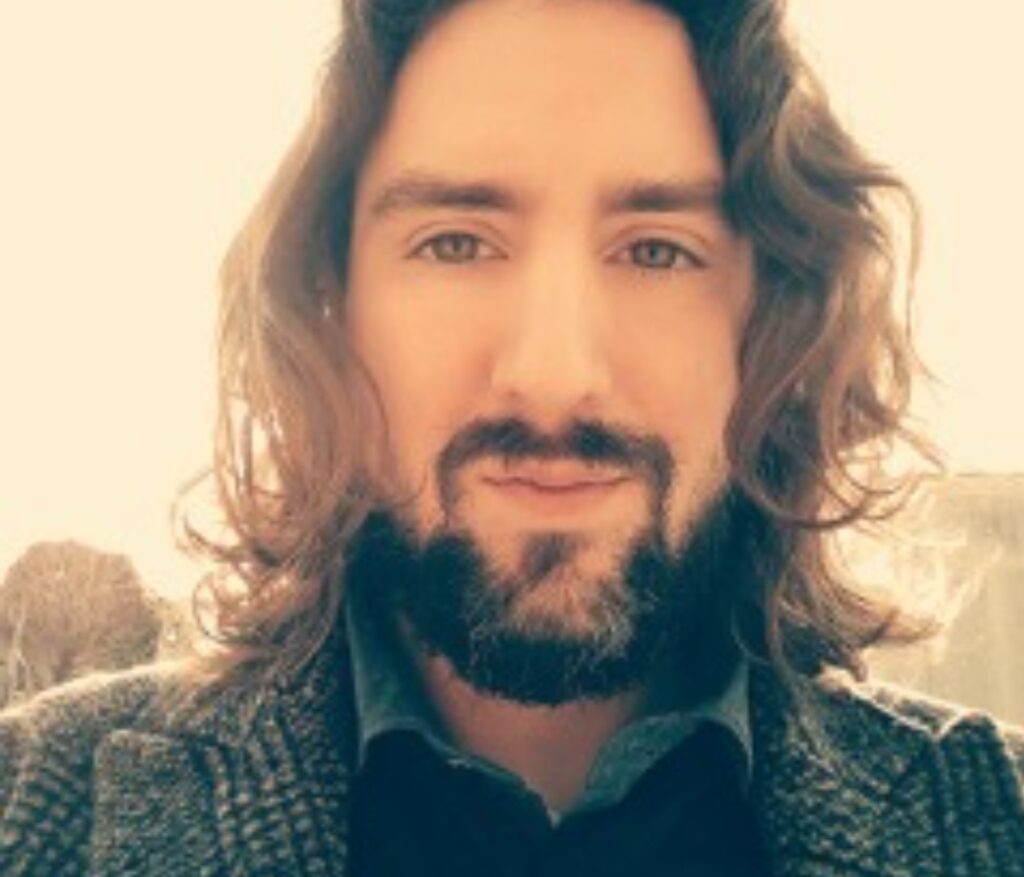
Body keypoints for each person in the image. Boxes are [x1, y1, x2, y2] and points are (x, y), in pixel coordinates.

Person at [2, 0, 1022, 873]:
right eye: (456, 243)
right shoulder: (34, 806)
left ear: (772, 326)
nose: (555, 371)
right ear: (329, 304)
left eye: (657, 251)